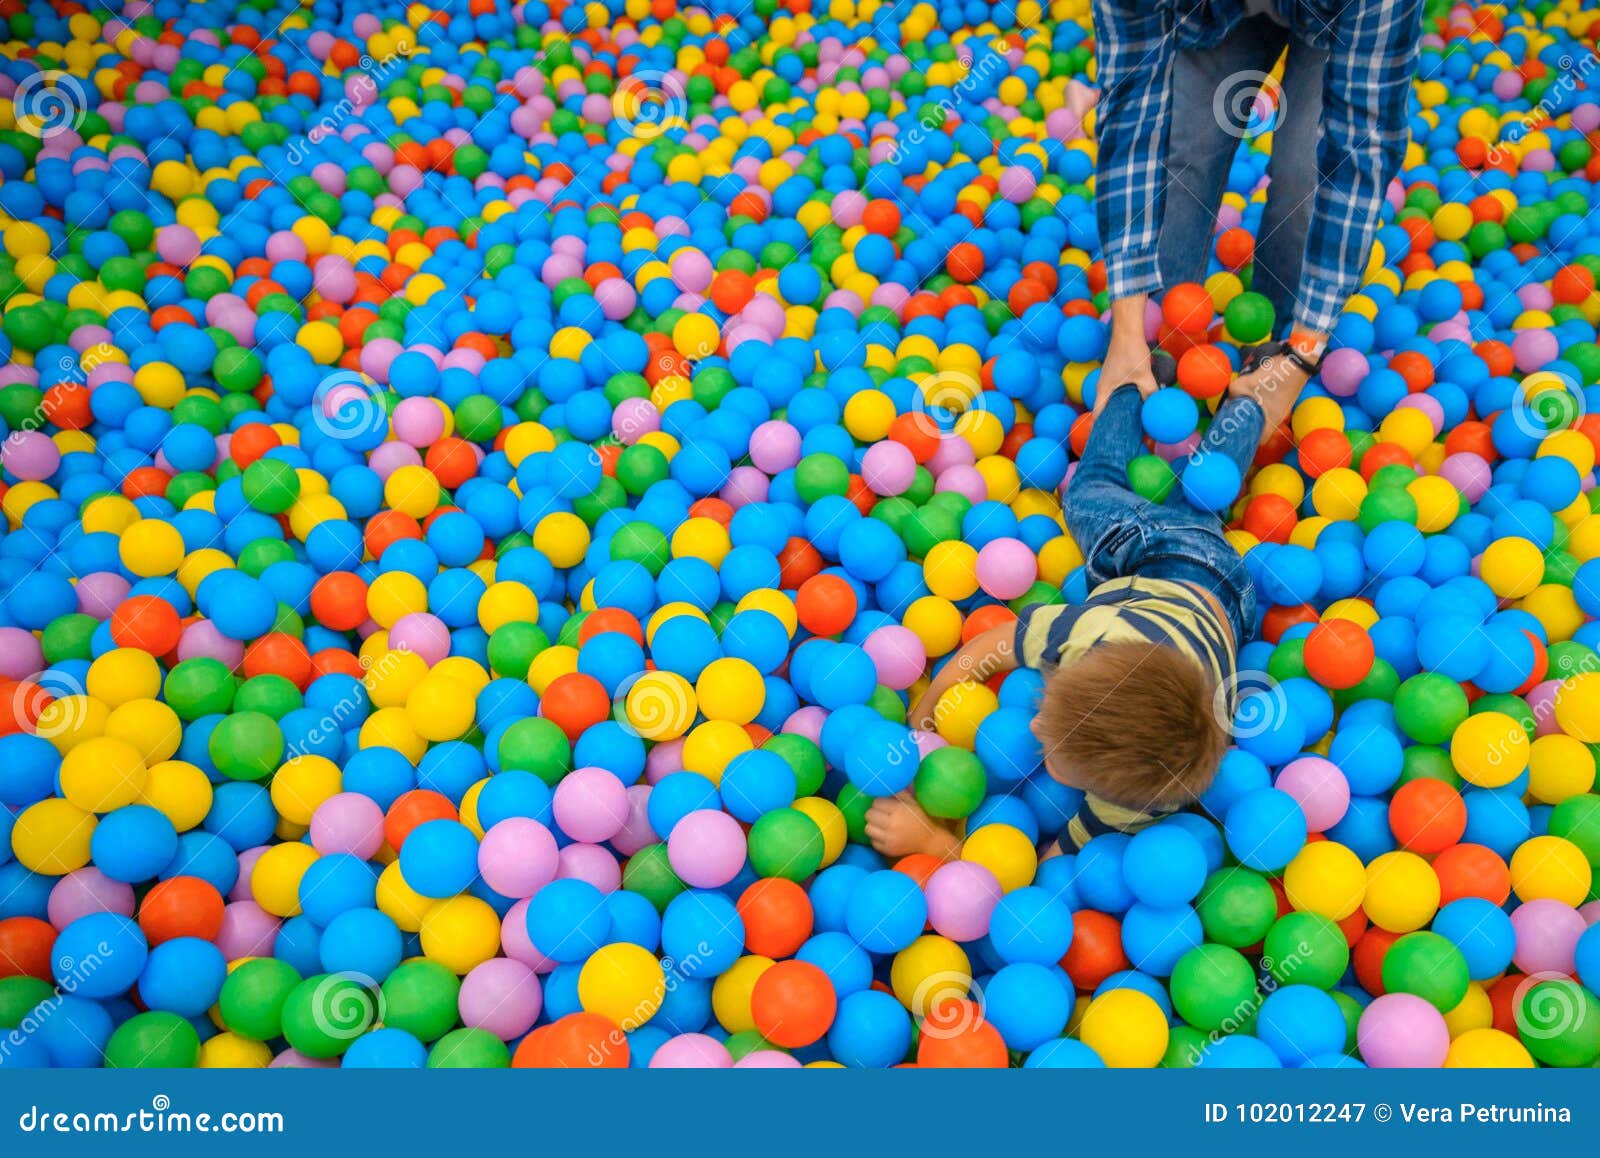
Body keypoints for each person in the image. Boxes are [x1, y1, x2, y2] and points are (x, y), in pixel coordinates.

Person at [865, 378, 1267, 861]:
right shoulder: (1097, 635)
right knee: (1140, 497)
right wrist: (927, 709)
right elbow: (990, 645)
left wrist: (937, 845)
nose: (1034, 728)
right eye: (1047, 718)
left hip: (1223, 592)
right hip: (1163, 558)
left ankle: (1203, 398)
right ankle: (1165, 391)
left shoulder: (1140, 802)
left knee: (1151, 495)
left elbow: (1047, 869)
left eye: (1054, 753)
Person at [1093, 0, 1426, 414]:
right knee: (1185, 151)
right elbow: (1132, 116)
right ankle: (1158, 347)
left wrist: (1302, 352)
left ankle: (1274, 351)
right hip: (1214, 11)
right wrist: (1129, 328)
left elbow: (1361, 148)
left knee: (1306, 175)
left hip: (1334, 19)